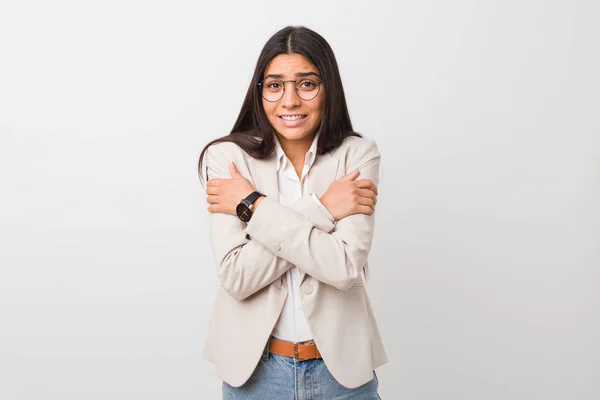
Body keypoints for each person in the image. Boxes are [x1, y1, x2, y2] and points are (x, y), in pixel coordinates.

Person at [198, 25, 387, 399]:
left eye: (306, 84)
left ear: (327, 87)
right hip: (256, 376)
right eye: (274, 85)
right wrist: (323, 208)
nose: (289, 101)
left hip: (342, 377)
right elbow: (236, 275)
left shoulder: (357, 155)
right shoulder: (227, 160)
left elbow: (345, 266)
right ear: (260, 92)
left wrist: (252, 206)